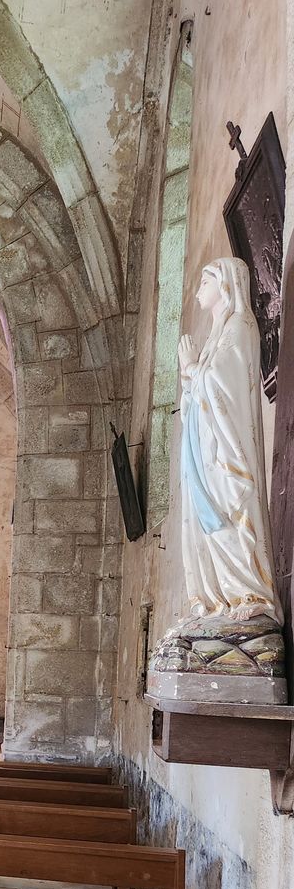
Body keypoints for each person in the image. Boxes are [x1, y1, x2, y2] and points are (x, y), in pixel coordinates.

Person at [176, 258, 280, 626]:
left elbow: (222, 385)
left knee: (227, 513)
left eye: (204, 282)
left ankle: (248, 592)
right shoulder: (216, 335)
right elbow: (197, 394)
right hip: (202, 450)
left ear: (224, 285)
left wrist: (190, 368)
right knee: (208, 522)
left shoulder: (239, 327)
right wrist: (192, 375)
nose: (197, 290)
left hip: (224, 453)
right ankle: (218, 599)